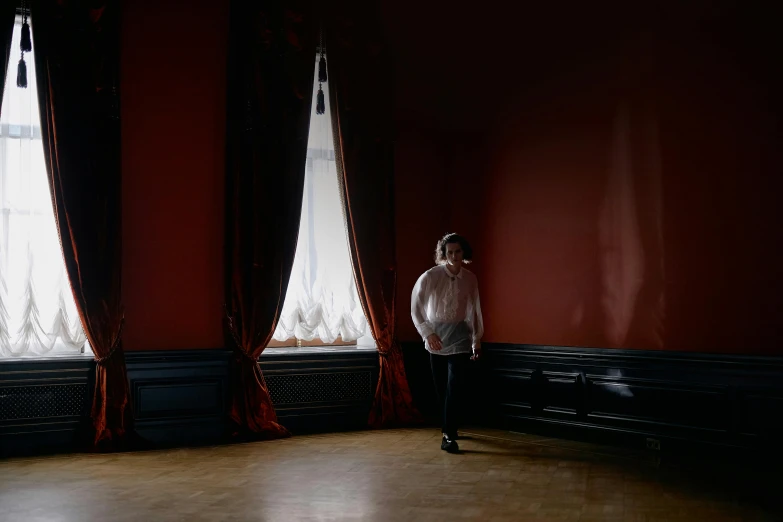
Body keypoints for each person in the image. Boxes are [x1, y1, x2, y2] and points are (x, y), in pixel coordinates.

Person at [411, 233, 484, 453]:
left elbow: (474, 310)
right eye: (449, 252)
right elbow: (416, 307)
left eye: (458, 251)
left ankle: (448, 435)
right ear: (444, 253)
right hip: (437, 336)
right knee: (442, 389)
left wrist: (476, 340)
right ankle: (448, 427)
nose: (453, 256)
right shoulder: (430, 276)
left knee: (455, 385)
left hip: (460, 335)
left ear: (464, 252)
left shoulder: (470, 278)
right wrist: (428, 334)